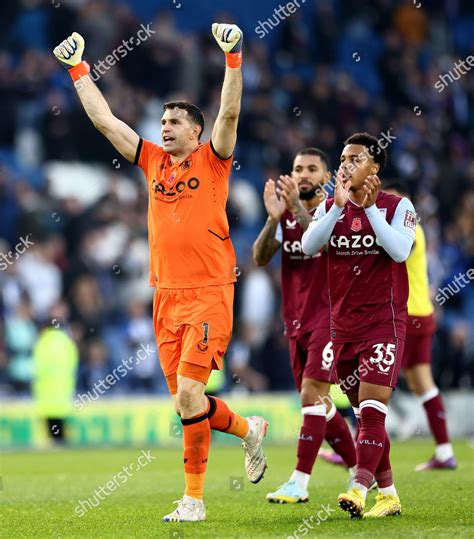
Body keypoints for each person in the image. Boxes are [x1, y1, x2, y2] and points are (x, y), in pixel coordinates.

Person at [53, 24, 268, 523]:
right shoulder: (152, 162)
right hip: (165, 295)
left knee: (191, 395)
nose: (165, 126)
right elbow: (107, 122)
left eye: (175, 121)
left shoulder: (214, 160)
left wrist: (234, 57)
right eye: (163, 120)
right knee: (184, 403)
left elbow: (230, 111)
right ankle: (248, 428)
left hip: (210, 291)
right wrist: (79, 71)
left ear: (195, 130)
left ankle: (193, 500)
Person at [302, 132, 417, 518]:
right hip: (343, 329)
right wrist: (336, 209)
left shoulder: (398, 205)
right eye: (343, 159)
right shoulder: (329, 208)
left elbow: (400, 251)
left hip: (384, 323)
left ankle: (358, 485)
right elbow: (307, 246)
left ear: (375, 167)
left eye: (355, 159)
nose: (345, 165)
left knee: (371, 410)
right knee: (366, 417)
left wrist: (368, 211)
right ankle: (389, 495)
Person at [253, 148, 357, 503]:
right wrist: (272, 219)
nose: (303, 174)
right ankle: (363, 471)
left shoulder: (337, 211)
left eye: (312, 169)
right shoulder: (285, 215)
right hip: (295, 322)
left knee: (311, 396)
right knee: (321, 404)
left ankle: (299, 482)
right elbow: (259, 257)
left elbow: (323, 243)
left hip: (329, 318)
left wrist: (296, 208)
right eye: (297, 168)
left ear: (327, 177)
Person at [384, 181, 456, 471]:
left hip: (407, 316)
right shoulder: (403, 227)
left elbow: (397, 252)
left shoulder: (407, 227)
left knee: (373, 382)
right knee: (420, 383)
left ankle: (355, 450)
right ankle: (445, 451)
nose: (392, 204)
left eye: (397, 198)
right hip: (420, 313)